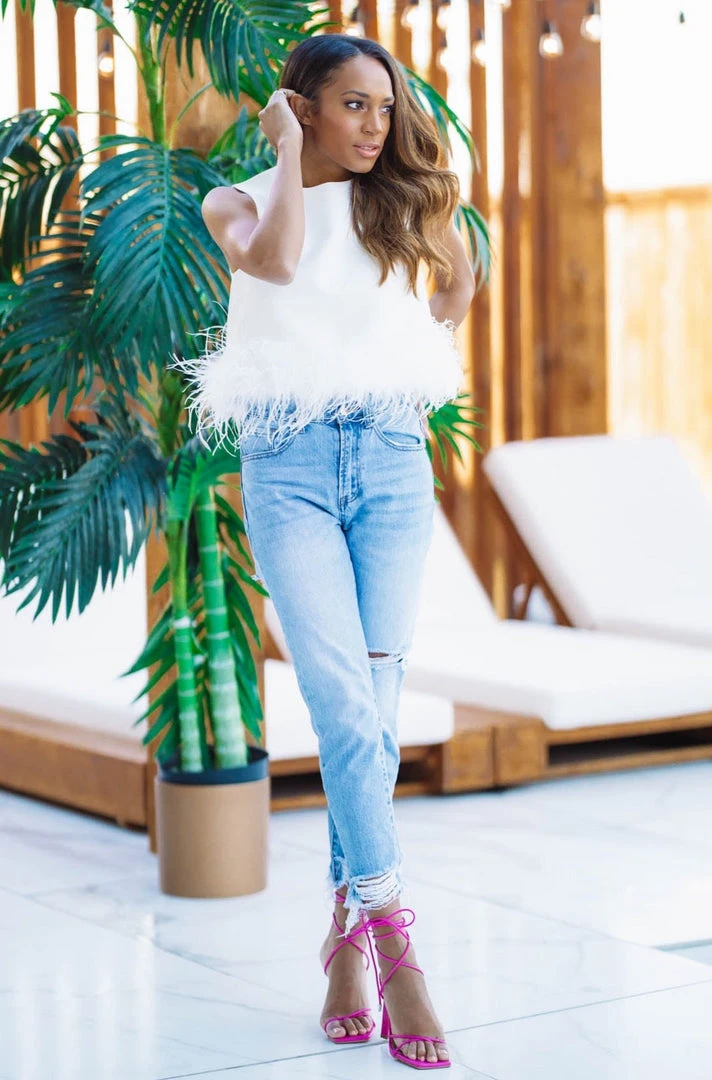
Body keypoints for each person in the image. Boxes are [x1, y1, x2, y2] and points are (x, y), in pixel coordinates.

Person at [190, 33, 475, 1071]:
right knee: (346, 709)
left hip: (392, 460)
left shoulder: (400, 203)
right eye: (354, 105)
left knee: (376, 714)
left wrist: (403, 343)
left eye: (385, 109)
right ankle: (396, 939)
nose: (376, 125)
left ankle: (344, 940)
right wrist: (279, 153)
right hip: (289, 465)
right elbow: (272, 261)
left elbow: (453, 294)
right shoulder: (235, 202)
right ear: (299, 105)